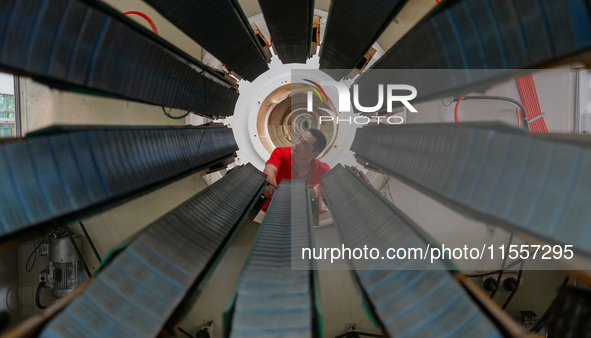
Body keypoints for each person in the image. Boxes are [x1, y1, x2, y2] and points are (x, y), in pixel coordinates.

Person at [262, 128, 330, 212]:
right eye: (299, 138)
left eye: (304, 143)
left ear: (314, 155)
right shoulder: (282, 152)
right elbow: (269, 171)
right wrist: (276, 195)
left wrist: (320, 207)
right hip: (269, 209)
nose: (297, 144)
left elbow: (321, 185)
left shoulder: (323, 169)